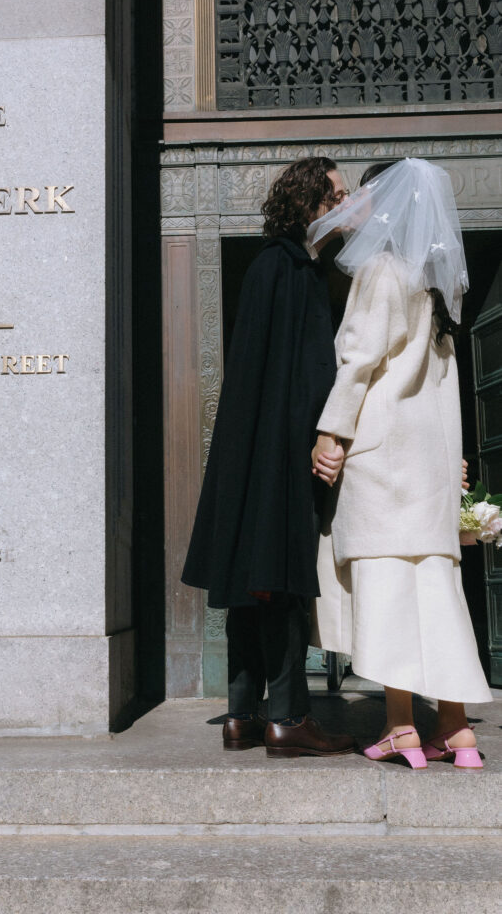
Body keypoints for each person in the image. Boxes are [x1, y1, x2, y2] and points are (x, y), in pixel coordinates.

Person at [310, 157, 493, 770]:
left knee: (387, 588)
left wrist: (331, 434)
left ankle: (398, 728)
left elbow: (358, 362)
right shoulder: (440, 287)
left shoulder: (381, 271)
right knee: (436, 594)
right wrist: (452, 461)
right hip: (427, 464)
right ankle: (456, 730)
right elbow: (443, 382)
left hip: (382, 460)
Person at [181, 156, 355, 758]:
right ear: (310, 202)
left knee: (250, 578)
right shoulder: (296, 271)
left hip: (250, 451)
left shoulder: (268, 267)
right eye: (335, 195)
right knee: (279, 580)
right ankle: (287, 716)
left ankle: (241, 714)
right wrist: (325, 439)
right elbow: (311, 375)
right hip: (285, 448)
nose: (344, 204)